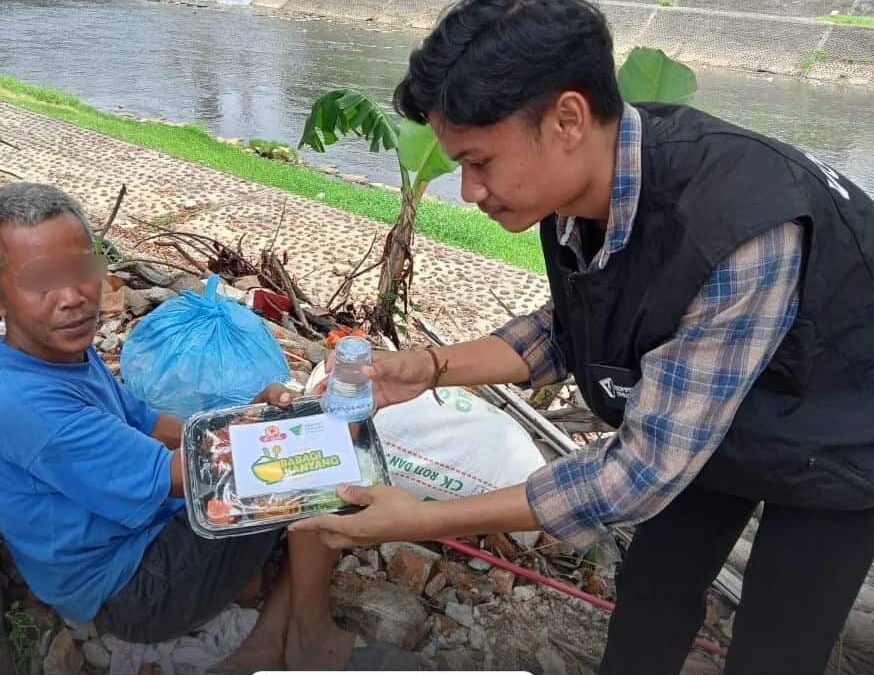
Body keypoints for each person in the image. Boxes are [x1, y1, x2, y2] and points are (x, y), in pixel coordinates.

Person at [292, 1, 874, 673]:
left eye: (478, 161)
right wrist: (427, 366)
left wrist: (416, 515)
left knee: (777, 645)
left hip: (841, 423)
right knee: (653, 590)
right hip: (709, 397)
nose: (469, 190)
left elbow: (638, 473)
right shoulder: (582, 182)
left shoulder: (741, 229)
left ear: (567, 118)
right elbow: (572, 328)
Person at [0, 182, 408, 671]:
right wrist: (291, 439)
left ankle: (276, 631)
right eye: (41, 280)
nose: (71, 297)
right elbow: (183, 473)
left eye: (82, 269)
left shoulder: (55, 352)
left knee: (303, 452)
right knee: (322, 474)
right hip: (130, 591)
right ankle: (304, 635)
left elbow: (148, 421)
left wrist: (253, 416)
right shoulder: (23, 404)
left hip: (136, 542)